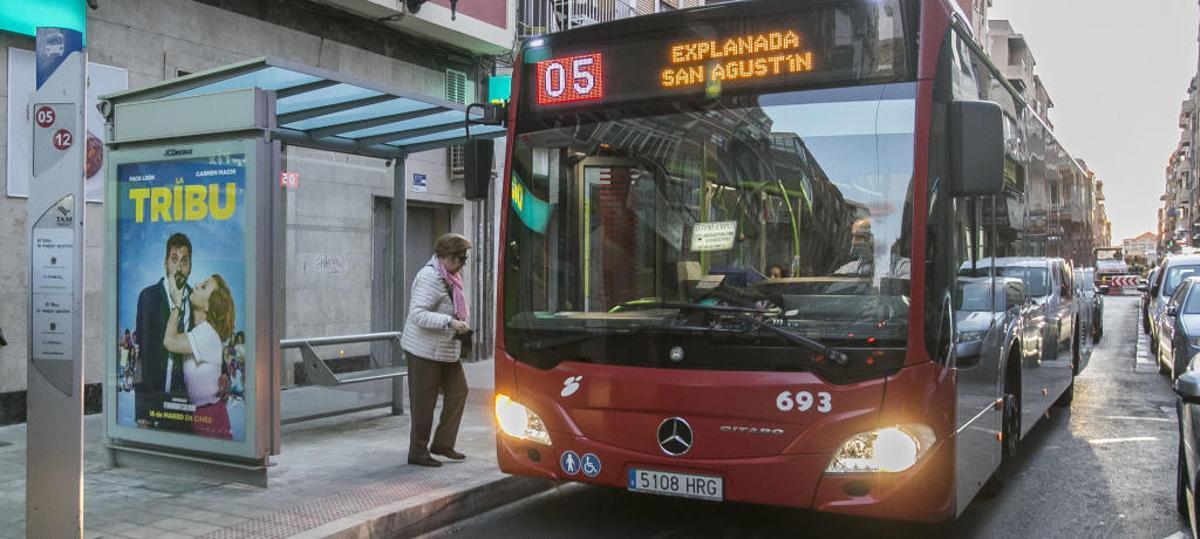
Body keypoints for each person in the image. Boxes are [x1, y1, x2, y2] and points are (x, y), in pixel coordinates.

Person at [401, 233, 472, 467]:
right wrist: (449, 322)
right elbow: (417, 314)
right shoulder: (429, 277)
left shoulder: (450, 277)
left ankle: (442, 443)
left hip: (445, 349)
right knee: (424, 403)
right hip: (423, 351)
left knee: (459, 391)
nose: (463, 263)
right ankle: (417, 452)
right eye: (462, 258)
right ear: (448, 256)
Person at [164, 274, 235, 440]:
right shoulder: (199, 331)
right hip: (203, 414)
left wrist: (176, 304)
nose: (195, 284)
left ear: (209, 305)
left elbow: (169, 342)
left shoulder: (207, 334)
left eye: (203, 286)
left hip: (211, 416)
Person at [134, 233, 193, 430]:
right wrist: (142, 411)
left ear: (190, 266)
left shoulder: (198, 300)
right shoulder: (148, 297)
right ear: (165, 264)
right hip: (156, 402)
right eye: (174, 259)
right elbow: (142, 356)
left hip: (188, 404)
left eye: (184, 261)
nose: (179, 267)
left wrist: (224, 374)